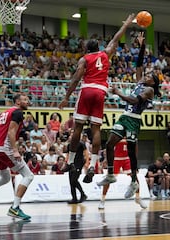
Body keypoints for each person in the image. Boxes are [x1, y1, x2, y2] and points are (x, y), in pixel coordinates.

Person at [58, 14, 135, 184]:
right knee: (96, 130)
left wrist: (66, 97)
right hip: (101, 92)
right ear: (98, 47)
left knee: (78, 127)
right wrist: (127, 23)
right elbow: (116, 39)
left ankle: (69, 162)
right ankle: (93, 165)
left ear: (87, 49)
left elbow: (77, 78)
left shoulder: (84, 59)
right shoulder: (106, 54)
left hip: (87, 90)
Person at [97, 32, 161, 203]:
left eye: (150, 77)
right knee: (109, 144)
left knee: (132, 153)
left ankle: (133, 181)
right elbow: (139, 63)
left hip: (134, 119)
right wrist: (142, 45)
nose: (146, 76)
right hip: (124, 116)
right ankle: (110, 174)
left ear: (154, 82)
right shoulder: (140, 82)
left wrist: (118, 93)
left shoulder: (150, 91)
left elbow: (134, 100)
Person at [98, 138, 146, 209]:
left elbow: (135, 148)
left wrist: (135, 162)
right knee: (109, 179)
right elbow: (109, 147)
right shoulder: (116, 133)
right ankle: (102, 200)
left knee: (135, 177)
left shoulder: (131, 133)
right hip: (116, 159)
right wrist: (107, 159)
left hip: (127, 158)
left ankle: (138, 198)